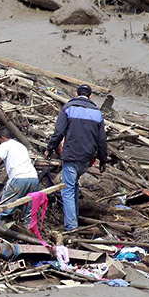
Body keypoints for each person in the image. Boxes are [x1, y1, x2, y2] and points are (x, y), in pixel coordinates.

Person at [46, 84, 109, 231]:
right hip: (87, 158)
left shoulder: (68, 108)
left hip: (72, 155)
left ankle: (71, 226)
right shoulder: (97, 113)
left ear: (76, 94)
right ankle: (74, 217)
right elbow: (102, 140)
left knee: (67, 189)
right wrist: (103, 160)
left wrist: (49, 148)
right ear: (90, 96)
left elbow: (59, 132)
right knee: (73, 185)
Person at [0, 125, 39, 220]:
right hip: (33, 178)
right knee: (28, 211)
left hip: (18, 178)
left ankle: (0, 228)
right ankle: (27, 229)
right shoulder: (21, 146)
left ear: (2, 138)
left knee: (5, 208)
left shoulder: (5, 145)